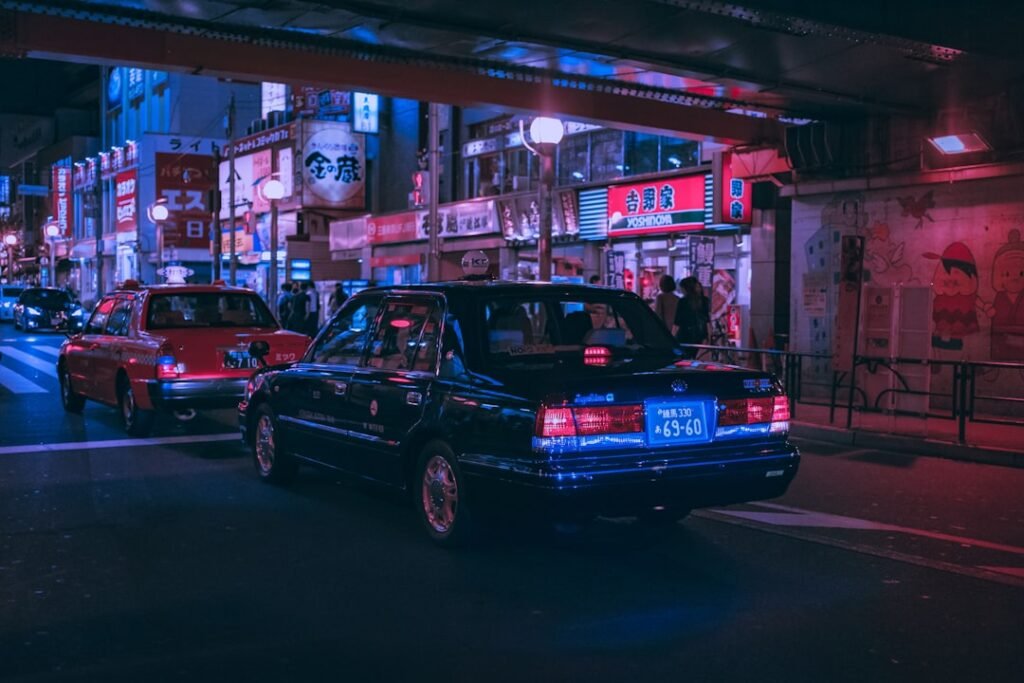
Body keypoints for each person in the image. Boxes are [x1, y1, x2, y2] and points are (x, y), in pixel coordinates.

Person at [672, 276, 710, 359]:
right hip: (700, 336)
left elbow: (677, 322)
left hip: (684, 335)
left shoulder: (683, 301)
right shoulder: (704, 301)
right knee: (695, 358)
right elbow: (707, 321)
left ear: (686, 289)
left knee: (682, 358)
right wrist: (709, 337)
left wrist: (671, 337)